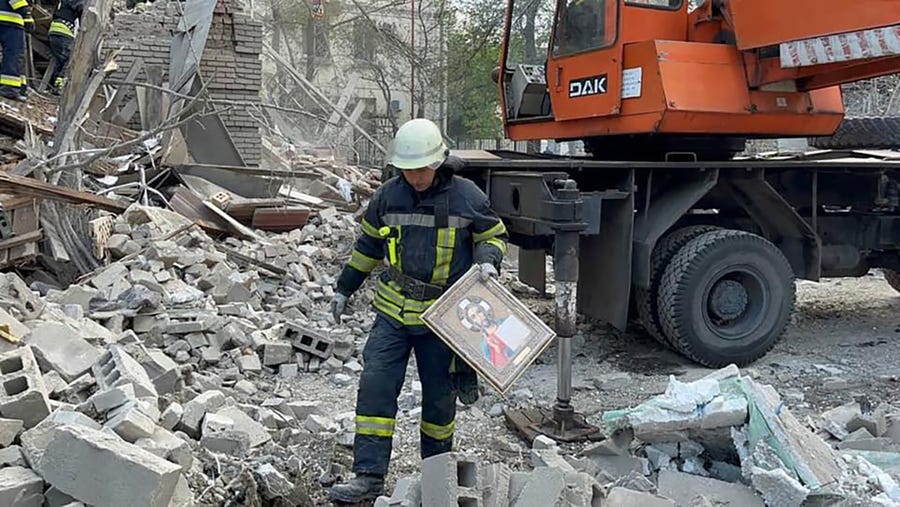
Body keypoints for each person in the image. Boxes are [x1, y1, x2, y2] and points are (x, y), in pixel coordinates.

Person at [328, 118, 509, 504]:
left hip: (443, 317)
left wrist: (487, 260)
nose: (414, 178)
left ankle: (436, 479)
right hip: (393, 311)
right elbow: (367, 248)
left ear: (438, 162)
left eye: (421, 170)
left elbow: (492, 236)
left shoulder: (467, 196)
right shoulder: (387, 197)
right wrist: (344, 289)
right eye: (407, 171)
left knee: (439, 400)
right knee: (375, 388)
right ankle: (368, 477)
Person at [48, 0, 83, 95]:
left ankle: (54, 86)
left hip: (53, 30)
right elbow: (80, 8)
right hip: (64, 32)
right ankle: (60, 87)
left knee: (60, 61)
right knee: (69, 59)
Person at [0, 0, 32, 101]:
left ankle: (20, 88)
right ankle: (9, 89)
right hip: (10, 21)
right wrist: (26, 14)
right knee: (14, 55)